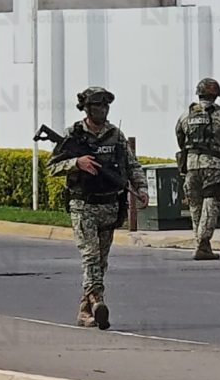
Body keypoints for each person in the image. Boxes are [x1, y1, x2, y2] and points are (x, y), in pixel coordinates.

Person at [47, 86, 149, 330]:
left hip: (109, 205)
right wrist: (76, 163)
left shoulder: (115, 135)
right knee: (90, 257)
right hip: (83, 205)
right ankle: (97, 301)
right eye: (97, 106)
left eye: (105, 106)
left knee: (101, 262)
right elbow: (52, 167)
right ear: (86, 108)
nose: (102, 110)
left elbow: (131, 165)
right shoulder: (74, 134)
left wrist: (141, 189)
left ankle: (85, 311)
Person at [175, 78, 220, 260]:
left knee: (195, 205)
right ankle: (203, 243)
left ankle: (200, 243)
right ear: (215, 95)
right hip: (213, 164)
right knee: (210, 203)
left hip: (190, 165)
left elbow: (179, 135)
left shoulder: (187, 115)